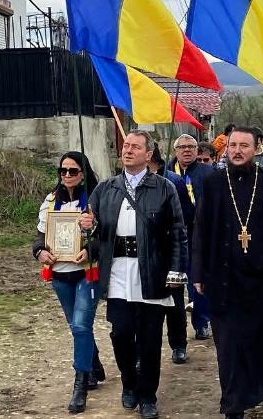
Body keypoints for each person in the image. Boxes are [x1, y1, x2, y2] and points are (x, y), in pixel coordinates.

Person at [193, 127, 263, 418]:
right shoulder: (213, 183)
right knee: (228, 346)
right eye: (233, 145)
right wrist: (198, 272)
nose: (237, 151)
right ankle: (233, 404)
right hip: (225, 278)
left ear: (257, 149)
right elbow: (201, 229)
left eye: (244, 146)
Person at [78, 130, 186, 419]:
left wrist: (176, 270)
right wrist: (86, 225)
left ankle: (148, 396)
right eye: (126, 146)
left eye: (135, 147)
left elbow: (178, 233)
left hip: (152, 271)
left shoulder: (165, 188)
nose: (128, 150)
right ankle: (129, 383)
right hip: (117, 273)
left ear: (148, 154)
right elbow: (94, 231)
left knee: (150, 339)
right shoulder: (106, 188)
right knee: (121, 333)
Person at [32, 151, 104, 414]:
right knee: (76, 325)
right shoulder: (51, 201)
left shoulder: (95, 200)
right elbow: (40, 236)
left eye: (73, 171)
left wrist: (91, 248)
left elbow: (106, 235)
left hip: (87, 272)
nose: (67, 175)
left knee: (81, 325)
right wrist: (40, 251)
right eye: (63, 170)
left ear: (83, 173)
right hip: (60, 273)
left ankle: (80, 385)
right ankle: (94, 364)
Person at [148, 143, 194, 365]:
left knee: (174, 302)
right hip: (146, 253)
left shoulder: (173, 181)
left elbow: (186, 216)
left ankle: (178, 344)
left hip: (169, 249)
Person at [168, 134, 214, 340]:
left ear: (197, 150)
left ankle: (201, 321)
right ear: (175, 151)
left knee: (198, 279)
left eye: (191, 147)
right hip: (174, 233)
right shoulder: (167, 172)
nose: (187, 150)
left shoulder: (208, 173)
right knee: (176, 280)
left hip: (199, 232)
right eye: (182, 147)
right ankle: (177, 331)